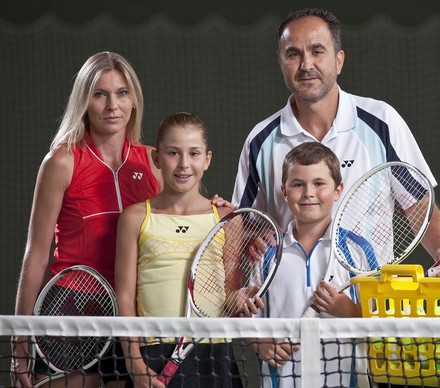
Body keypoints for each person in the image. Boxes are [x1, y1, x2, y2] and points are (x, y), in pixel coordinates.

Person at [231, 8, 440, 279]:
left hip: (368, 304)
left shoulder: (382, 121)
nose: (306, 64)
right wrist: (252, 239)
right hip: (288, 305)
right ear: (281, 63)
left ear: (339, 60)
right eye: (293, 54)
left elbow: (417, 203)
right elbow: (243, 223)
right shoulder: (260, 140)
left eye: (317, 51)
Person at [10, 51, 162, 388]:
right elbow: (36, 254)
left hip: (132, 315)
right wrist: (21, 337)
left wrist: (217, 206)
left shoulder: (153, 162)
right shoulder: (62, 161)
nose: (113, 105)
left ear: (134, 100)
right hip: (74, 310)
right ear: (84, 100)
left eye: (122, 93)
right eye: (100, 94)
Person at [115, 112, 258, 388]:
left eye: (194, 153)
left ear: (207, 159)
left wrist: (240, 298)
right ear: (156, 158)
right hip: (153, 354)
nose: (184, 164)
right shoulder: (134, 218)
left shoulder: (227, 218)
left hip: (213, 355)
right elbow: (124, 298)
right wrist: (135, 364)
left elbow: (228, 300)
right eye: (173, 153)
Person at [252, 142, 369, 387]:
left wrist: (350, 312)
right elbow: (248, 318)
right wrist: (260, 341)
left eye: (319, 183)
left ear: (338, 190)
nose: (308, 193)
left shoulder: (358, 252)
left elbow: (383, 321)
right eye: (298, 184)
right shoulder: (266, 254)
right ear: (284, 192)